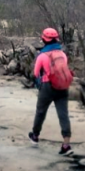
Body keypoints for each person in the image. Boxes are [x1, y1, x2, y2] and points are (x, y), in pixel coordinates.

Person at [28, 27, 73, 155]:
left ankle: (35, 136)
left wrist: (39, 84)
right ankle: (66, 144)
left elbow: (36, 73)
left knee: (41, 112)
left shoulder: (42, 55)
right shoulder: (63, 54)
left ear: (44, 39)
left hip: (47, 87)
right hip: (62, 87)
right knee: (63, 114)